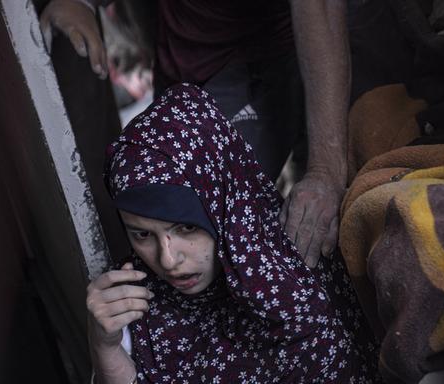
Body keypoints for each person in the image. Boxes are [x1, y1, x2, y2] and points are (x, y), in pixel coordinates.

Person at [88, 83, 377, 383]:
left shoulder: (302, 278)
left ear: (225, 202)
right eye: (142, 235)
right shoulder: (133, 308)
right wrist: (105, 347)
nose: (169, 260)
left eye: (187, 227)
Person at [39, 0, 349, 269]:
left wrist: (325, 171)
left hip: (255, 65)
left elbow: (321, 12)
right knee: (169, 215)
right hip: (178, 57)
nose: (168, 260)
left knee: (213, 227)